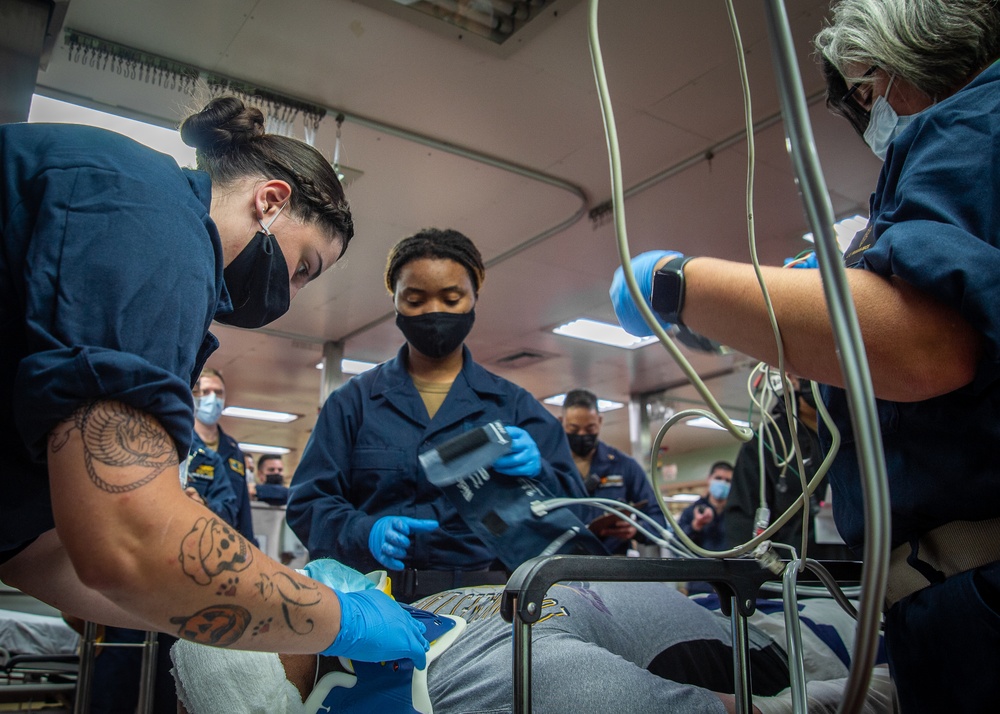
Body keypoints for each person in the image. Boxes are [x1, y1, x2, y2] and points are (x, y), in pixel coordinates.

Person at [609, 1, 1000, 708]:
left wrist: (677, 283)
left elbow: (921, 346)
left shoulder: (975, 119)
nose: (869, 112)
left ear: (920, 47)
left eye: (868, 89)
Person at [0, 96, 428, 665]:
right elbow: (128, 540)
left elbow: (45, 555)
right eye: (303, 267)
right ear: (272, 201)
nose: (290, 294)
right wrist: (334, 617)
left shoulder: (150, 239)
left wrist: (272, 617)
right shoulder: (156, 224)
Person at [287, 228, 590, 602]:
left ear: (474, 298)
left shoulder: (514, 405)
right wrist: (364, 531)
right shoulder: (353, 403)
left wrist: (541, 472)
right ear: (395, 300)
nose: (434, 312)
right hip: (379, 604)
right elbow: (307, 505)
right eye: (415, 299)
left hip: (489, 605)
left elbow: (579, 514)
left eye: (451, 298)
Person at [170, 562, 897, 714]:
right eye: (293, 611)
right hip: (783, 648)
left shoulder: (402, 622)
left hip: (735, 618)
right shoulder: (516, 688)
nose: (306, 587)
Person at [725, 377, 853, 561]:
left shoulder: (862, 436)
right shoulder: (766, 443)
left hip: (864, 573)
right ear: (791, 378)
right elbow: (742, 522)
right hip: (794, 576)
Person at [560, 388, 666, 554]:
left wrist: (636, 529)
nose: (582, 435)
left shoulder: (624, 466)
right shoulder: (551, 465)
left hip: (612, 565)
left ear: (600, 421)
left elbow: (657, 519)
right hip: (562, 565)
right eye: (573, 429)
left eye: (590, 429)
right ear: (561, 422)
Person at [191, 368, 255, 540]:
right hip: (193, 535)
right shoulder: (183, 443)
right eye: (206, 392)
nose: (213, 399)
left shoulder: (233, 450)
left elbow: (243, 510)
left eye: (218, 393)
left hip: (229, 539)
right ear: (195, 397)